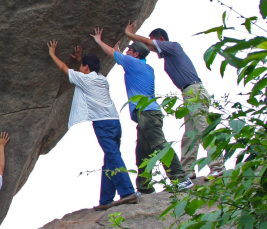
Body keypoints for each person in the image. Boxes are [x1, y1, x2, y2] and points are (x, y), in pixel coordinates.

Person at [91, 28, 192, 193]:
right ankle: (144, 188)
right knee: (143, 152)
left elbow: (111, 53)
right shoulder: (144, 67)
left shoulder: (132, 63)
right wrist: (120, 50)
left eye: (129, 50)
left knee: (159, 145)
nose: (126, 51)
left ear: (136, 54)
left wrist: (98, 40)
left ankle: (181, 178)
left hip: (147, 114)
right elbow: (121, 59)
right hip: (147, 114)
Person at [125, 22, 224, 178]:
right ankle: (186, 170)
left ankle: (218, 165)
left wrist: (130, 35)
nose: (151, 48)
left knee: (202, 128)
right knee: (190, 133)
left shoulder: (173, 46)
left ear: (161, 39)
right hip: (188, 93)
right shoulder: (168, 57)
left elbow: (147, 43)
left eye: (153, 42)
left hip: (194, 91)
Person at [47, 40, 136, 211]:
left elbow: (64, 68)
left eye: (82, 65)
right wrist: (81, 59)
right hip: (115, 121)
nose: (80, 67)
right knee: (110, 157)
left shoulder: (84, 80)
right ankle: (106, 200)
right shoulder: (102, 79)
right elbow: (83, 71)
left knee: (113, 156)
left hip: (102, 123)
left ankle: (127, 192)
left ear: (86, 68)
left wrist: (52, 54)